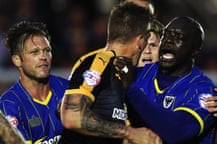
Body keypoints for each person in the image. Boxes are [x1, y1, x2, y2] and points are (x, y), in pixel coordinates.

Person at [60, 2, 162, 144]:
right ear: (140, 41)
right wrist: (130, 133)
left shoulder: (128, 76)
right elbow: (72, 117)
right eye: (146, 41)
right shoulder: (98, 63)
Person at [126, 16, 217, 143]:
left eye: (179, 37)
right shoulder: (138, 74)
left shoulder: (204, 90)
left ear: (195, 50)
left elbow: (178, 131)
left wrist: (130, 90)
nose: (169, 40)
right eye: (166, 34)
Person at [0, 21, 68, 144]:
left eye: (47, 50)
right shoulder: (9, 105)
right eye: (34, 52)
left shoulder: (68, 89)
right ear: (17, 60)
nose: (43, 56)